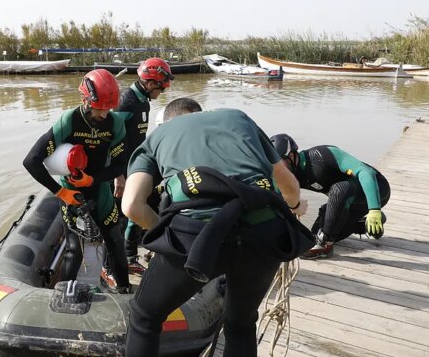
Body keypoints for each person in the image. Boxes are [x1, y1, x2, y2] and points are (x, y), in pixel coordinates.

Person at [122, 105, 310, 357]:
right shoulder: (238, 117)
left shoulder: (157, 137)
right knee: (241, 323)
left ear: (165, 121)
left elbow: (131, 206)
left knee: (145, 316)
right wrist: (296, 206)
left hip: (194, 236)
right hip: (264, 232)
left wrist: (167, 237)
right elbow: (289, 185)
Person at [22, 69, 132, 294]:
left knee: (115, 241)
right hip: (71, 193)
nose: (104, 114)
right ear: (86, 100)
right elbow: (31, 161)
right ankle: (64, 296)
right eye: (100, 108)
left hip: (100, 189)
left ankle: (125, 290)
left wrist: (94, 179)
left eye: (108, 109)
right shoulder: (69, 121)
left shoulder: (115, 124)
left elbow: (121, 165)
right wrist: (61, 192)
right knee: (74, 249)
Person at [270, 134, 391, 259]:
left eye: (278, 162)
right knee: (314, 235)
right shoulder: (287, 174)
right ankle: (365, 224)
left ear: (291, 156)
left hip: (376, 190)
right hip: (347, 203)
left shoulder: (322, 155)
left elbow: (366, 172)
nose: (275, 168)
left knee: (338, 190)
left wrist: (374, 209)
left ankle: (325, 245)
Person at [114, 58, 175, 276]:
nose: (163, 91)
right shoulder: (125, 101)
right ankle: (122, 260)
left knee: (137, 210)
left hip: (135, 165)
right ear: (150, 83)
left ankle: (131, 256)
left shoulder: (143, 102)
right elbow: (112, 139)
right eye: (162, 86)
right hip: (121, 170)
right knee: (124, 216)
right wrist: (117, 174)